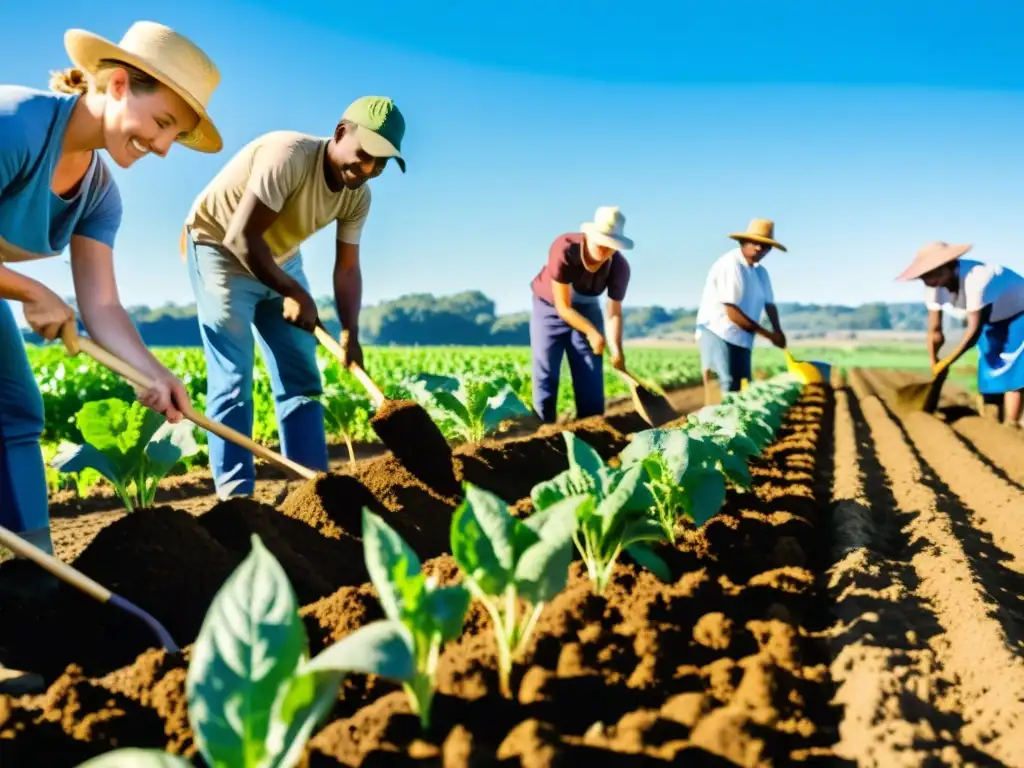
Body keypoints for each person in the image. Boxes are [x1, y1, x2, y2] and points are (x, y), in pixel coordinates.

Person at [0, 21, 222, 595]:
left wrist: (154, 374)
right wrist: (30, 290)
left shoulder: (99, 194)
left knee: (16, 410)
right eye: (164, 123)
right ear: (119, 84)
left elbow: (101, 305)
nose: (164, 146)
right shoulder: (17, 124)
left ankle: (32, 585)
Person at [181, 96, 407, 496]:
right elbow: (240, 237)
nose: (369, 168)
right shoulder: (287, 155)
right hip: (219, 248)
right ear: (340, 133)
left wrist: (350, 332)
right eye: (366, 153)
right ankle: (237, 499)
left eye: (383, 162)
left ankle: (311, 490)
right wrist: (294, 291)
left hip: (280, 259)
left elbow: (348, 267)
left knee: (301, 374)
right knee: (234, 378)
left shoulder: (358, 194)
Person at [897, 241, 1024, 427]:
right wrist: (934, 362)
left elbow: (973, 332)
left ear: (948, 267)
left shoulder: (978, 278)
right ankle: (993, 423)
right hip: (992, 319)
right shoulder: (933, 289)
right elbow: (935, 331)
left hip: (1019, 313)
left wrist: (947, 361)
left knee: (1012, 368)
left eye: (930, 275)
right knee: (989, 366)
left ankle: (1011, 424)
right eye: (924, 277)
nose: (927, 281)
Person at [529, 206, 633, 423]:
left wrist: (617, 351)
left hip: (587, 308)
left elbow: (614, 313)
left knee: (589, 367)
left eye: (611, 246)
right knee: (546, 369)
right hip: (549, 307)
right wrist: (592, 333)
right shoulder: (565, 248)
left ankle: (591, 426)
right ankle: (543, 427)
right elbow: (563, 307)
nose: (605, 251)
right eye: (601, 243)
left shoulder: (620, 267)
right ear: (589, 236)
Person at [695, 218, 788, 400]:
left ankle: (735, 426)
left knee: (743, 387)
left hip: (743, 337)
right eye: (755, 243)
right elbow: (732, 313)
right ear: (743, 242)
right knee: (726, 385)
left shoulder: (760, 272)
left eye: (765, 246)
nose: (759, 248)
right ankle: (715, 425)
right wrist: (769, 335)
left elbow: (769, 304)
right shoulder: (730, 264)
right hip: (718, 331)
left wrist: (778, 331)